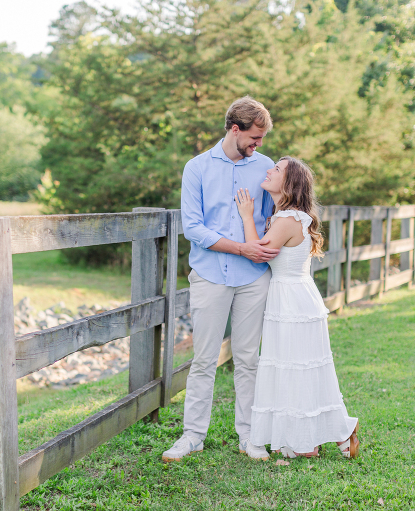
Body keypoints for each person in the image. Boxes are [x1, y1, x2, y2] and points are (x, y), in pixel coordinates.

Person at [162, 96, 280, 462]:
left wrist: (262, 248)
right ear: (235, 128)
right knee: (203, 358)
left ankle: (249, 435)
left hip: (253, 278)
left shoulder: (266, 167)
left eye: (261, 139)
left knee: (248, 358)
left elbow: (272, 218)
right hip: (211, 274)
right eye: (254, 137)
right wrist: (240, 249)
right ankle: (193, 436)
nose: (258, 145)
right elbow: (193, 228)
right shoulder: (196, 168)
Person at [234, 156, 360, 459]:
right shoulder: (294, 217)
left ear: (288, 183)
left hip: (291, 299)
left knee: (295, 367)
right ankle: (307, 438)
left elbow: (258, 254)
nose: (268, 170)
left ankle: (333, 432)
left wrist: (246, 216)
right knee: (298, 368)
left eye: (276, 169)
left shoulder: (286, 219)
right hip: (296, 295)